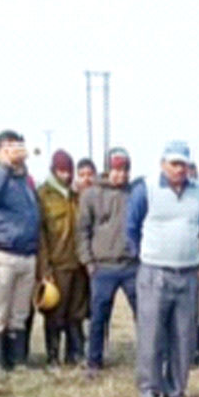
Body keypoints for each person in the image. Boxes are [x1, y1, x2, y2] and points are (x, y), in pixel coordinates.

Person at [126, 141, 199, 397]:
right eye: (173, 164)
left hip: (187, 273)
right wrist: (149, 254)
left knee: (184, 336)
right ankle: (149, 392)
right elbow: (131, 228)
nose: (178, 169)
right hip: (154, 272)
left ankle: (176, 390)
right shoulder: (145, 189)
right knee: (151, 335)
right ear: (163, 164)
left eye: (183, 164)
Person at [0, 130, 40, 376]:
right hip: (1, 252)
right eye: (10, 148)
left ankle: (18, 360)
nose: (17, 153)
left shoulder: (25, 180)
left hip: (26, 253)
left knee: (20, 311)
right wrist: (4, 166)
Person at [78, 147, 138, 376]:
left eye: (124, 170)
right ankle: (94, 360)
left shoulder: (135, 193)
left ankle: (146, 357)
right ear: (107, 169)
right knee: (98, 316)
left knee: (142, 313)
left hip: (131, 265)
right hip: (103, 266)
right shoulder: (91, 195)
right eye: (116, 170)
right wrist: (88, 262)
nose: (120, 175)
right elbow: (82, 231)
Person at [36, 149, 86, 368]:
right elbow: (41, 235)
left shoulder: (76, 196)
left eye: (68, 171)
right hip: (56, 264)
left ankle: (74, 353)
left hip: (78, 263)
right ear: (53, 170)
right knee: (55, 313)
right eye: (61, 171)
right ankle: (53, 356)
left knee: (77, 312)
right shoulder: (43, 195)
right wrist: (44, 267)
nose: (66, 175)